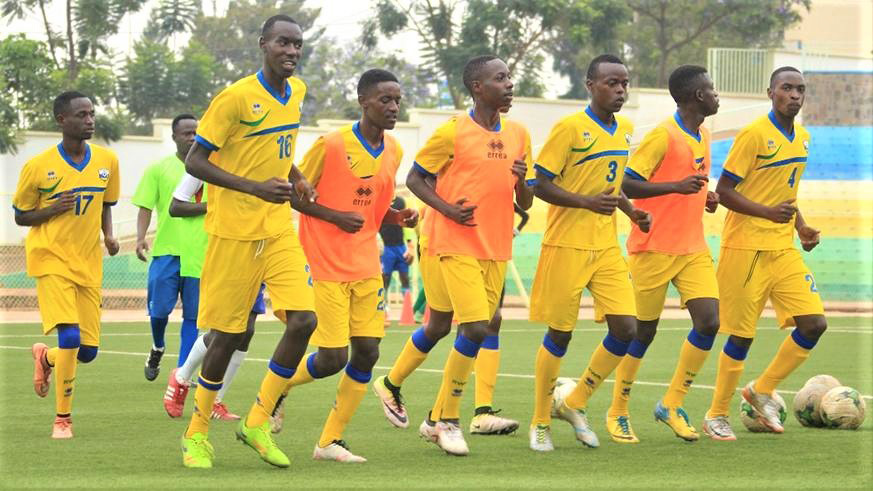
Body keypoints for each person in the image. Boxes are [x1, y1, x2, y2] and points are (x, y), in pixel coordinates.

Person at [178, 14, 317, 469]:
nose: (292, 52)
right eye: (283, 43)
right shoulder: (235, 97)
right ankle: (196, 432)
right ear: (263, 44)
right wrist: (253, 187)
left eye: (297, 44)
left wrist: (295, 178)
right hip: (233, 232)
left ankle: (256, 420)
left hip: (277, 227)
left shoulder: (295, 92)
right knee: (229, 335)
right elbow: (197, 162)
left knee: (303, 321)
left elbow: (281, 148)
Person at [274, 68, 416, 463]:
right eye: (385, 100)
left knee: (367, 352)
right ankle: (280, 387)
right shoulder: (331, 144)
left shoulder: (395, 150)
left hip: (366, 264)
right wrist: (335, 216)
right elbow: (295, 196)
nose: (393, 107)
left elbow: (373, 208)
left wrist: (396, 218)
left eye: (397, 100)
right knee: (333, 357)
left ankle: (329, 442)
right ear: (363, 102)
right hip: (324, 263)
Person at [405, 54, 534, 456]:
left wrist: (522, 177)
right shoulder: (452, 132)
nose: (510, 83)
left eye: (510, 77)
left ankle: (434, 417)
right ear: (478, 88)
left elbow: (524, 200)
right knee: (476, 327)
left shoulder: (518, 134)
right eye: (501, 78)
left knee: (479, 326)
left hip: (495, 246)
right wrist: (446, 209)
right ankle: (448, 420)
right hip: (453, 241)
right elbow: (415, 177)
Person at [528, 54, 651, 452]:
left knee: (627, 328)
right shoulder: (570, 128)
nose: (619, 90)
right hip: (566, 245)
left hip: (605, 246)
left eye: (624, 83)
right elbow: (538, 184)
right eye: (611, 83)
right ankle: (541, 421)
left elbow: (612, 188)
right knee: (560, 334)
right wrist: (583, 202)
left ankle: (575, 400)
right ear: (590, 85)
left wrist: (632, 213)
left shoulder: (625, 130)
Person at [701, 66, 826, 440]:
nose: (795, 95)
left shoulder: (802, 138)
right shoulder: (754, 135)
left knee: (814, 323)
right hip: (745, 248)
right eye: (787, 88)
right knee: (741, 336)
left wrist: (800, 224)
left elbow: (785, 192)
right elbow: (724, 191)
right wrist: (769, 214)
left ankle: (762, 389)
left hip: (782, 247)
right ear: (771, 92)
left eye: (800, 89)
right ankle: (716, 414)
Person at [614, 64, 721, 443]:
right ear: (696, 96)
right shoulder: (662, 135)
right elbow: (627, 183)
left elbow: (690, 182)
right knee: (642, 332)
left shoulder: (704, 134)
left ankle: (672, 404)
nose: (716, 95)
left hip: (692, 247)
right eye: (711, 89)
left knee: (709, 322)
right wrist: (677, 186)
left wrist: (705, 196)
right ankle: (618, 410)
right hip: (652, 247)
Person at [371, 195, 530, 436]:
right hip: (446, 238)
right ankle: (431, 412)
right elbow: (420, 177)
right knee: (454, 325)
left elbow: (523, 202)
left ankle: (477, 413)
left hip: (483, 239)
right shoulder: (448, 160)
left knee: (484, 322)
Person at [14, 91, 120, 438]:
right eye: (81, 114)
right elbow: (21, 216)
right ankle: (63, 419)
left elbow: (106, 203)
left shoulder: (107, 161)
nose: (90, 120)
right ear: (62, 120)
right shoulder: (38, 166)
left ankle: (46, 358)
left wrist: (108, 236)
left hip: (88, 263)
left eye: (92, 113)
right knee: (71, 337)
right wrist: (51, 209)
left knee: (87, 351)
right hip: (50, 260)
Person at [161, 173, 267, 421]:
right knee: (225, 331)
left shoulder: (259, 160)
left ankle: (216, 400)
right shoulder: (205, 164)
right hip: (217, 253)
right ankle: (181, 377)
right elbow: (176, 206)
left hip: (254, 249)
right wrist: (216, 207)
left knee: (247, 330)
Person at [132, 114, 201, 381]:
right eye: (186, 133)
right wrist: (140, 239)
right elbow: (145, 206)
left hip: (199, 254)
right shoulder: (158, 169)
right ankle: (158, 345)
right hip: (166, 252)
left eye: (196, 132)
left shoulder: (211, 169)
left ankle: (182, 374)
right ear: (174, 137)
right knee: (159, 311)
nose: (193, 137)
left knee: (194, 318)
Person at [380, 195, 415, 322]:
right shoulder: (380, 198)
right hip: (385, 247)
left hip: (400, 247)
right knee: (385, 279)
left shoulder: (401, 201)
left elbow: (406, 223)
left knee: (405, 277)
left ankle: (408, 309)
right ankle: (383, 308)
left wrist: (410, 246)